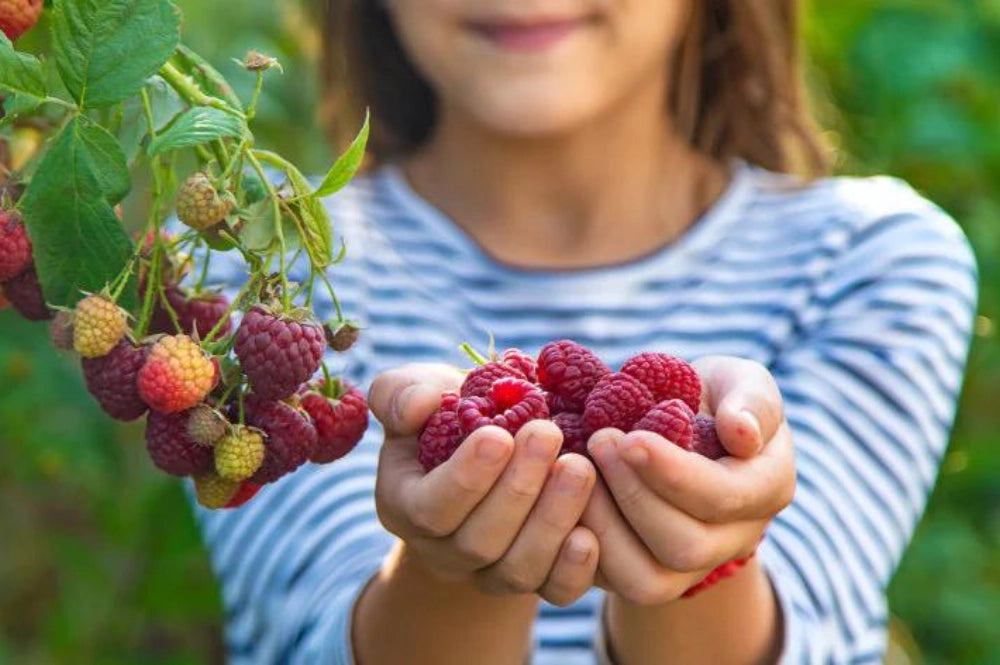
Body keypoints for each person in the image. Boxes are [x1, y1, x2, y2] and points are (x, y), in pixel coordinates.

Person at [194, 1, 978, 663]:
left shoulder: (867, 258)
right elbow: (309, 635)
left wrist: (709, 552)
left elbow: (810, 629)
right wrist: (449, 565)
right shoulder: (251, 271)